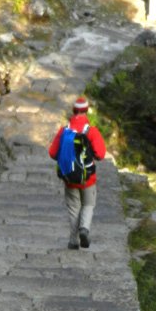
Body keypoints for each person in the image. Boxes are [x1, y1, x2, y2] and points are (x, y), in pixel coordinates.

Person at [48, 96, 106, 249]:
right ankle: (84, 229)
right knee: (88, 204)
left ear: (73, 111)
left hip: (70, 178)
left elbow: (52, 153)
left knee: (74, 208)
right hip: (89, 178)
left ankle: (74, 241)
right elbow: (101, 154)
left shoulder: (64, 130)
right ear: (86, 112)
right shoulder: (91, 131)